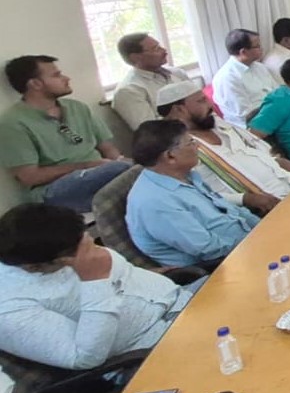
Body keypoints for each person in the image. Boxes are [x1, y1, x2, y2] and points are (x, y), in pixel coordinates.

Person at [0, 203, 194, 370]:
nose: (90, 248)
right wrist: (95, 282)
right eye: (79, 251)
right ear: (33, 267)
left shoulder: (67, 240)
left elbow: (124, 276)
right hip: (151, 347)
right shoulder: (9, 307)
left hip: (185, 301)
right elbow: (85, 358)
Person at [126, 120, 261, 268]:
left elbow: (231, 210)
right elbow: (209, 249)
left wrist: (263, 228)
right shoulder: (154, 203)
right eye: (191, 143)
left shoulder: (185, 176)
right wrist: (257, 244)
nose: (198, 146)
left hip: (248, 242)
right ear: (170, 156)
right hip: (225, 265)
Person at [0, 56, 128, 211]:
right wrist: (86, 166)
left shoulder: (77, 108)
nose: (66, 78)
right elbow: (29, 177)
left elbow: (107, 148)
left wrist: (118, 161)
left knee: (138, 172)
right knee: (124, 172)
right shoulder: (13, 123)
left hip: (101, 175)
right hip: (55, 189)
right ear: (35, 84)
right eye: (57, 75)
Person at [157, 81, 290, 205]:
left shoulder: (217, 124)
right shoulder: (180, 148)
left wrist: (276, 160)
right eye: (201, 101)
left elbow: (256, 148)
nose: (210, 104)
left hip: (289, 181)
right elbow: (199, 195)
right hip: (266, 204)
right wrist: (244, 199)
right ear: (179, 109)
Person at [112, 32, 189, 129]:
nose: (164, 50)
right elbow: (151, 130)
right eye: (156, 49)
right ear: (135, 57)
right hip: (175, 136)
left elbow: (200, 101)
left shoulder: (177, 73)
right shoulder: (128, 91)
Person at [212, 29, 280, 126]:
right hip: (253, 126)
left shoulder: (259, 67)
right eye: (257, 46)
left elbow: (278, 91)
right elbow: (246, 115)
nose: (262, 49)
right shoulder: (227, 78)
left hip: (275, 116)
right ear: (243, 52)